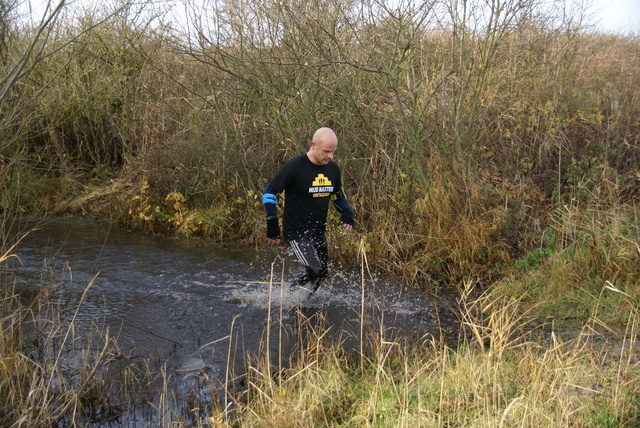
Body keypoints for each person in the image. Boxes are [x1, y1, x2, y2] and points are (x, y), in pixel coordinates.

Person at [262, 127, 354, 294]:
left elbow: (337, 195)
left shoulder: (332, 169)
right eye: (326, 151)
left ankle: (302, 302)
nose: (330, 156)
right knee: (314, 269)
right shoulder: (293, 167)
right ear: (313, 145)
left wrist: (346, 213)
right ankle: (287, 299)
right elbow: (269, 192)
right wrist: (272, 221)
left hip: (318, 230)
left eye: (333, 152)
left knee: (322, 273)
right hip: (296, 231)